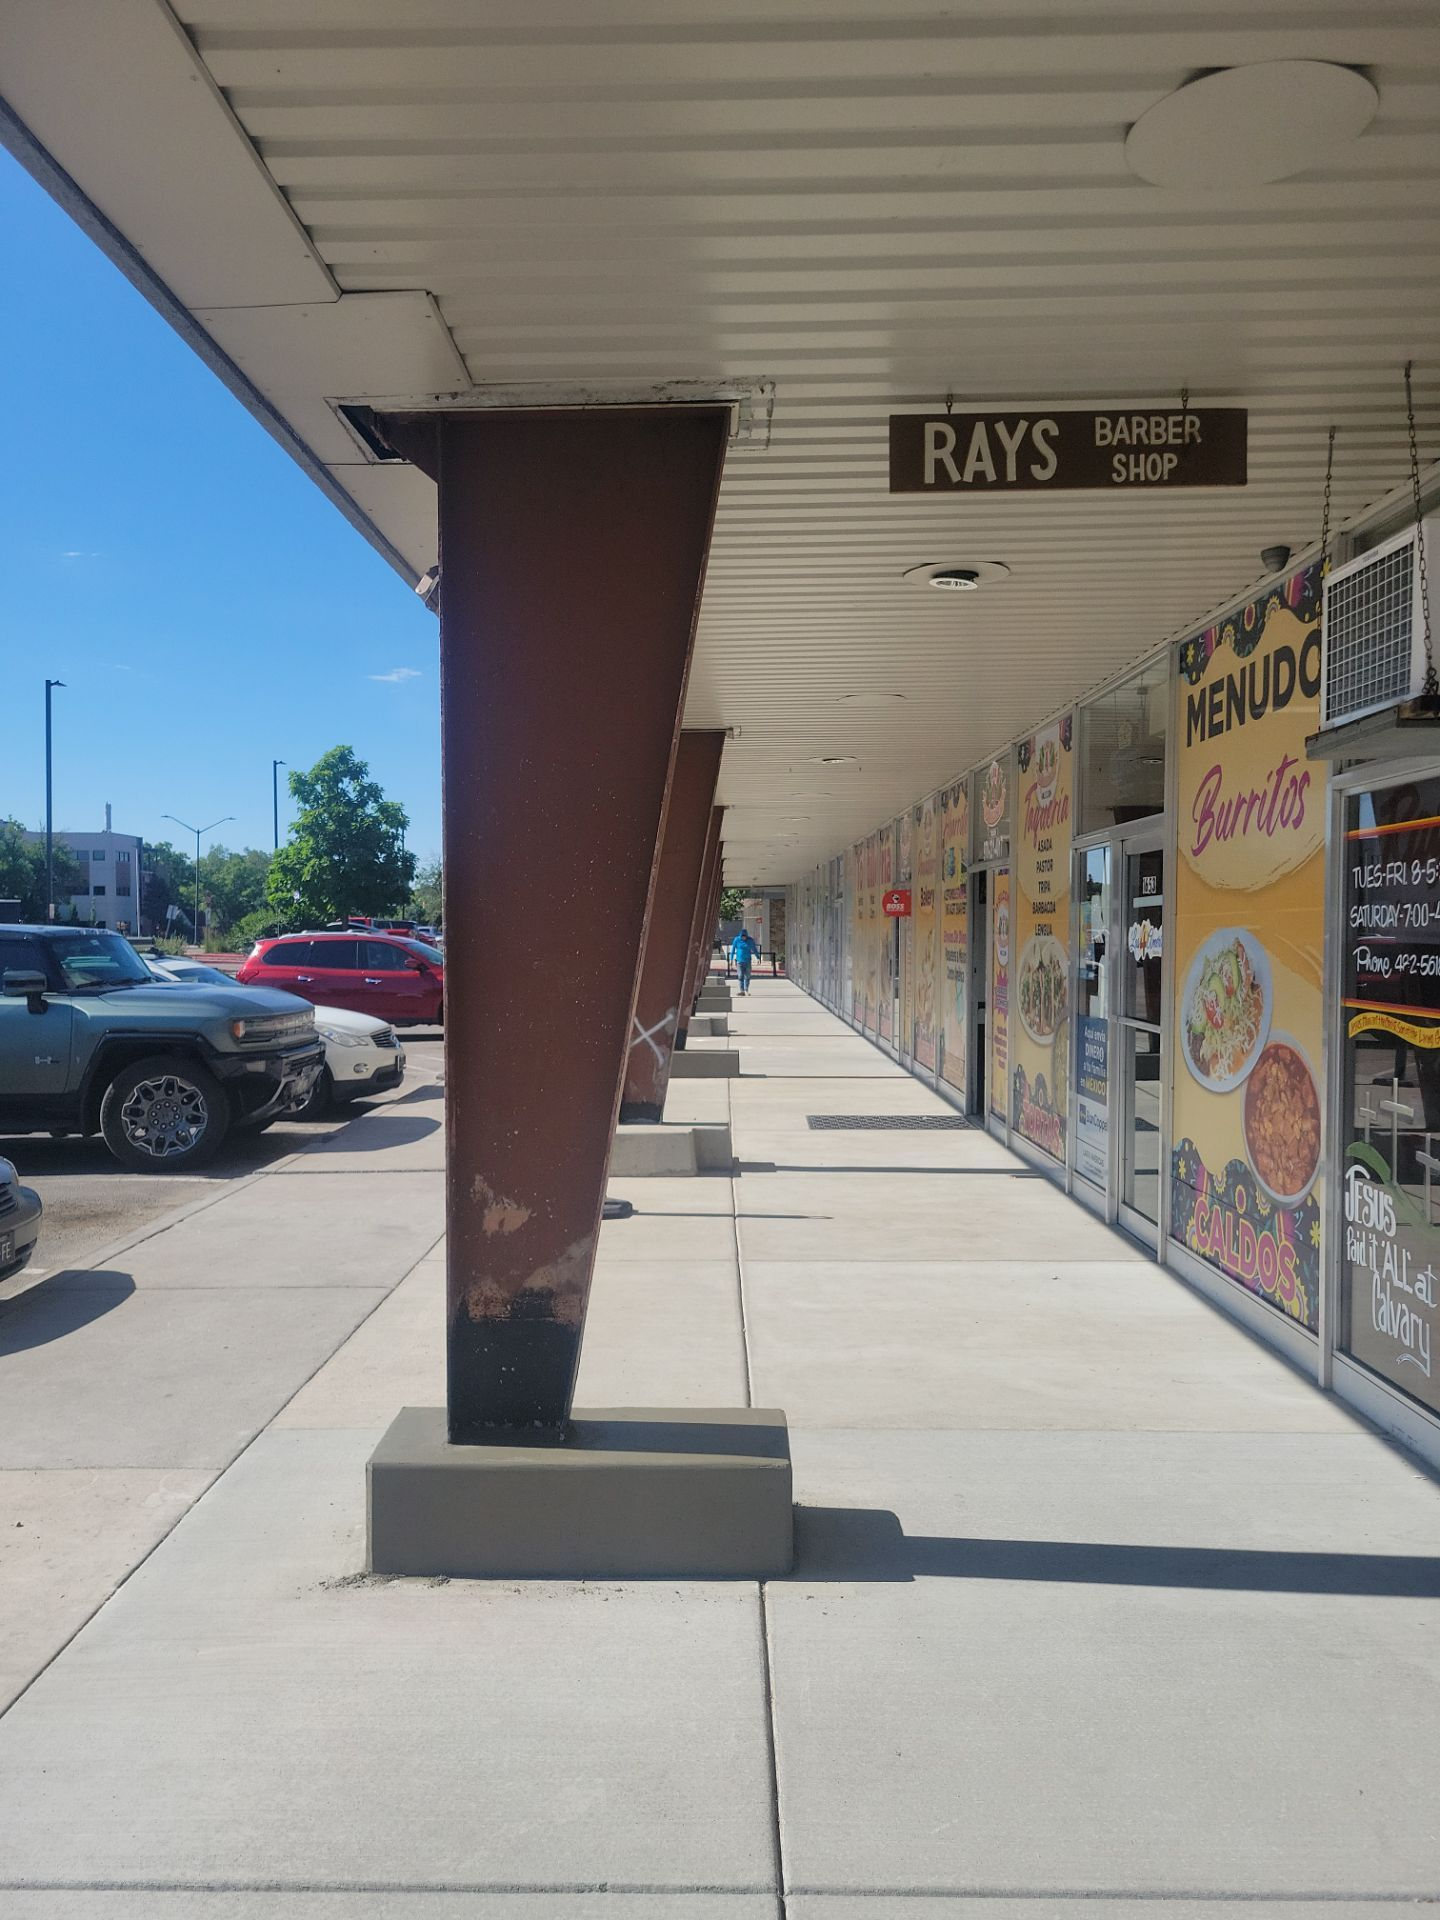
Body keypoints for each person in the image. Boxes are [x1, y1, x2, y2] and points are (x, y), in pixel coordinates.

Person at [730, 927, 760, 995]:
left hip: (747, 961)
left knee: (747, 976)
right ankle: (742, 990)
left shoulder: (750, 940)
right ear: (740, 936)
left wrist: (758, 957)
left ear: (747, 936)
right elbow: (733, 950)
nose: (744, 938)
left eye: (745, 936)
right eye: (742, 936)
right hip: (739, 961)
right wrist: (731, 959)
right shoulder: (737, 940)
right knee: (740, 976)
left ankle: (746, 989)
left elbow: (754, 949)